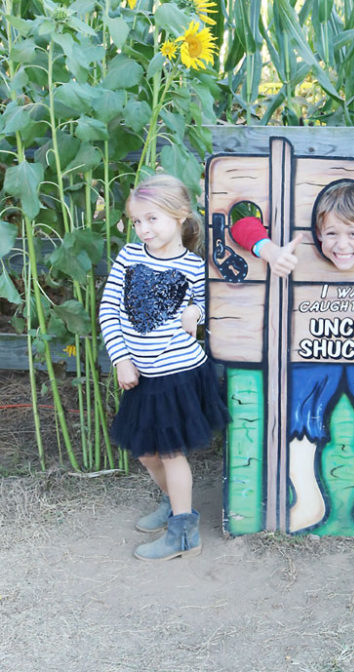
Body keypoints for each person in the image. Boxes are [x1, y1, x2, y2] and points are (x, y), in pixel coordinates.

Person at [230, 179, 354, 534]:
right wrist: (268, 250)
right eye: (331, 233)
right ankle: (306, 499)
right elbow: (238, 218)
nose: (342, 245)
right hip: (311, 344)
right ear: (316, 234)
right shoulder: (305, 251)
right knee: (301, 402)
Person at [99, 174, 228, 561]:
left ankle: (184, 533)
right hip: (140, 372)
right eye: (137, 221)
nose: (143, 229)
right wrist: (121, 358)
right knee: (145, 452)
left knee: (170, 452)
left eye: (152, 219)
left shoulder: (193, 266)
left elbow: (210, 305)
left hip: (178, 374)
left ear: (180, 216)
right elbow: (109, 310)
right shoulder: (130, 257)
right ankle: (176, 505)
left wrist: (197, 311)